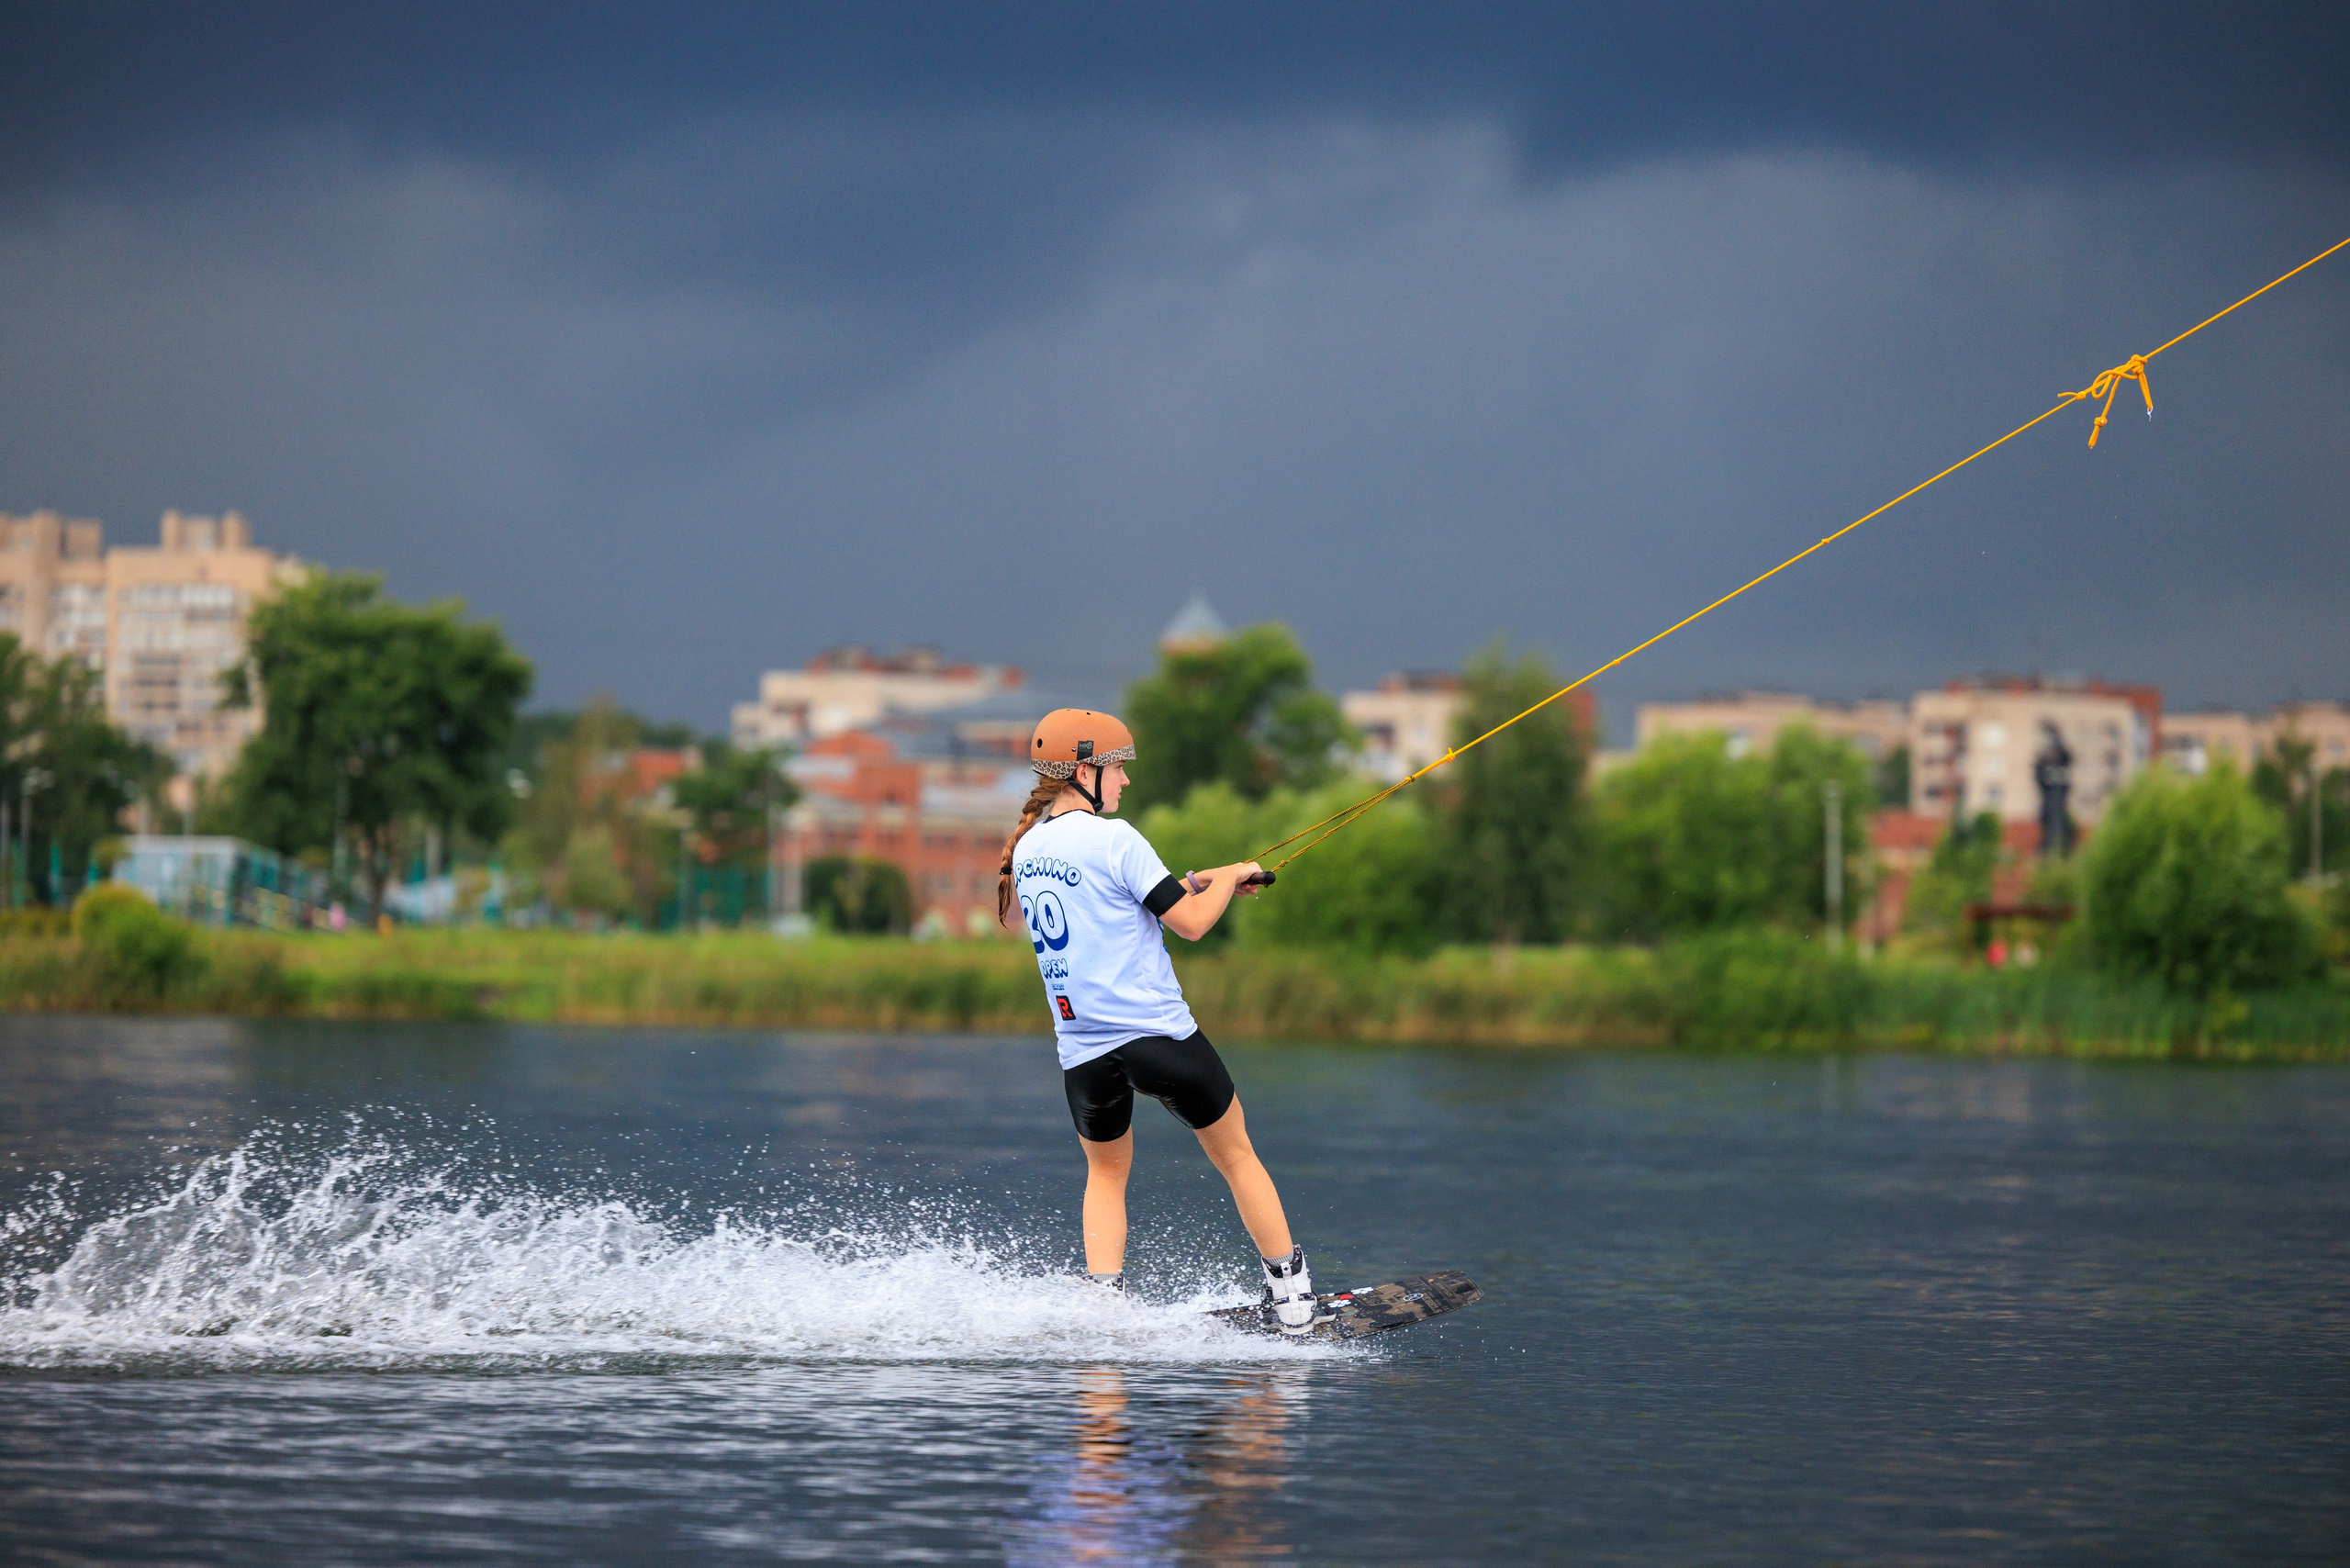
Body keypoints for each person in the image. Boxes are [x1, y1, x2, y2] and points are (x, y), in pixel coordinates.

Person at [998, 708, 1317, 1330]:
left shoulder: (1029, 849)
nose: (1124, 781)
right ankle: (1293, 1296)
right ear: (1084, 769)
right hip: (1158, 1037)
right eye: (1117, 768)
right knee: (1237, 1157)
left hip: (1083, 1054)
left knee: (1106, 1175)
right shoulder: (1117, 838)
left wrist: (1203, 881)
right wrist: (1227, 880)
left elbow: (1132, 900)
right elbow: (1192, 924)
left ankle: (1102, 1303)